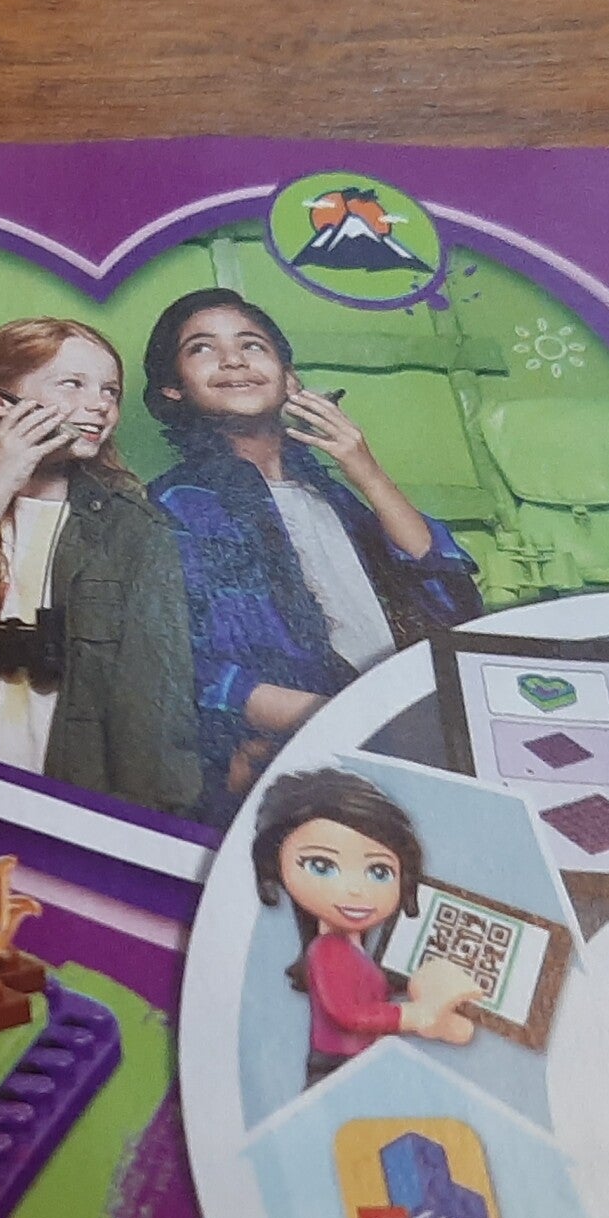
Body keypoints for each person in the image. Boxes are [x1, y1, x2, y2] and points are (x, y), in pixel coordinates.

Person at [145, 289, 482, 822]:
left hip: (402, 738)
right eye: (202, 349)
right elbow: (171, 663)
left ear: (290, 380)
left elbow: (451, 598)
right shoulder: (170, 506)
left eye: (252, 345)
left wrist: (365, 470)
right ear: (173, 388)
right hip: (290, 765)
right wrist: (334, 718)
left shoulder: (334, 497)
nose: (233, 360)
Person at [0, 316, 201, 816]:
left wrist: (151, 819)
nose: (99, 404)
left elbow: (153, 694)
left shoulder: (134, 527)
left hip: (78, 780)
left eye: (110, 391)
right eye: (72, 384)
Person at [251, 769, 479, 1088]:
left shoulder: (354, 950)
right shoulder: (327, 950)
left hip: (363, 1065)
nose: (356, 890)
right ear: (277, 868)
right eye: (322, 866)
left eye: (379, 871)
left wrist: (417, 994)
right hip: (337, 1069)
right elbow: (348, 1014)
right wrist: (412, 1016)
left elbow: (370, 995)